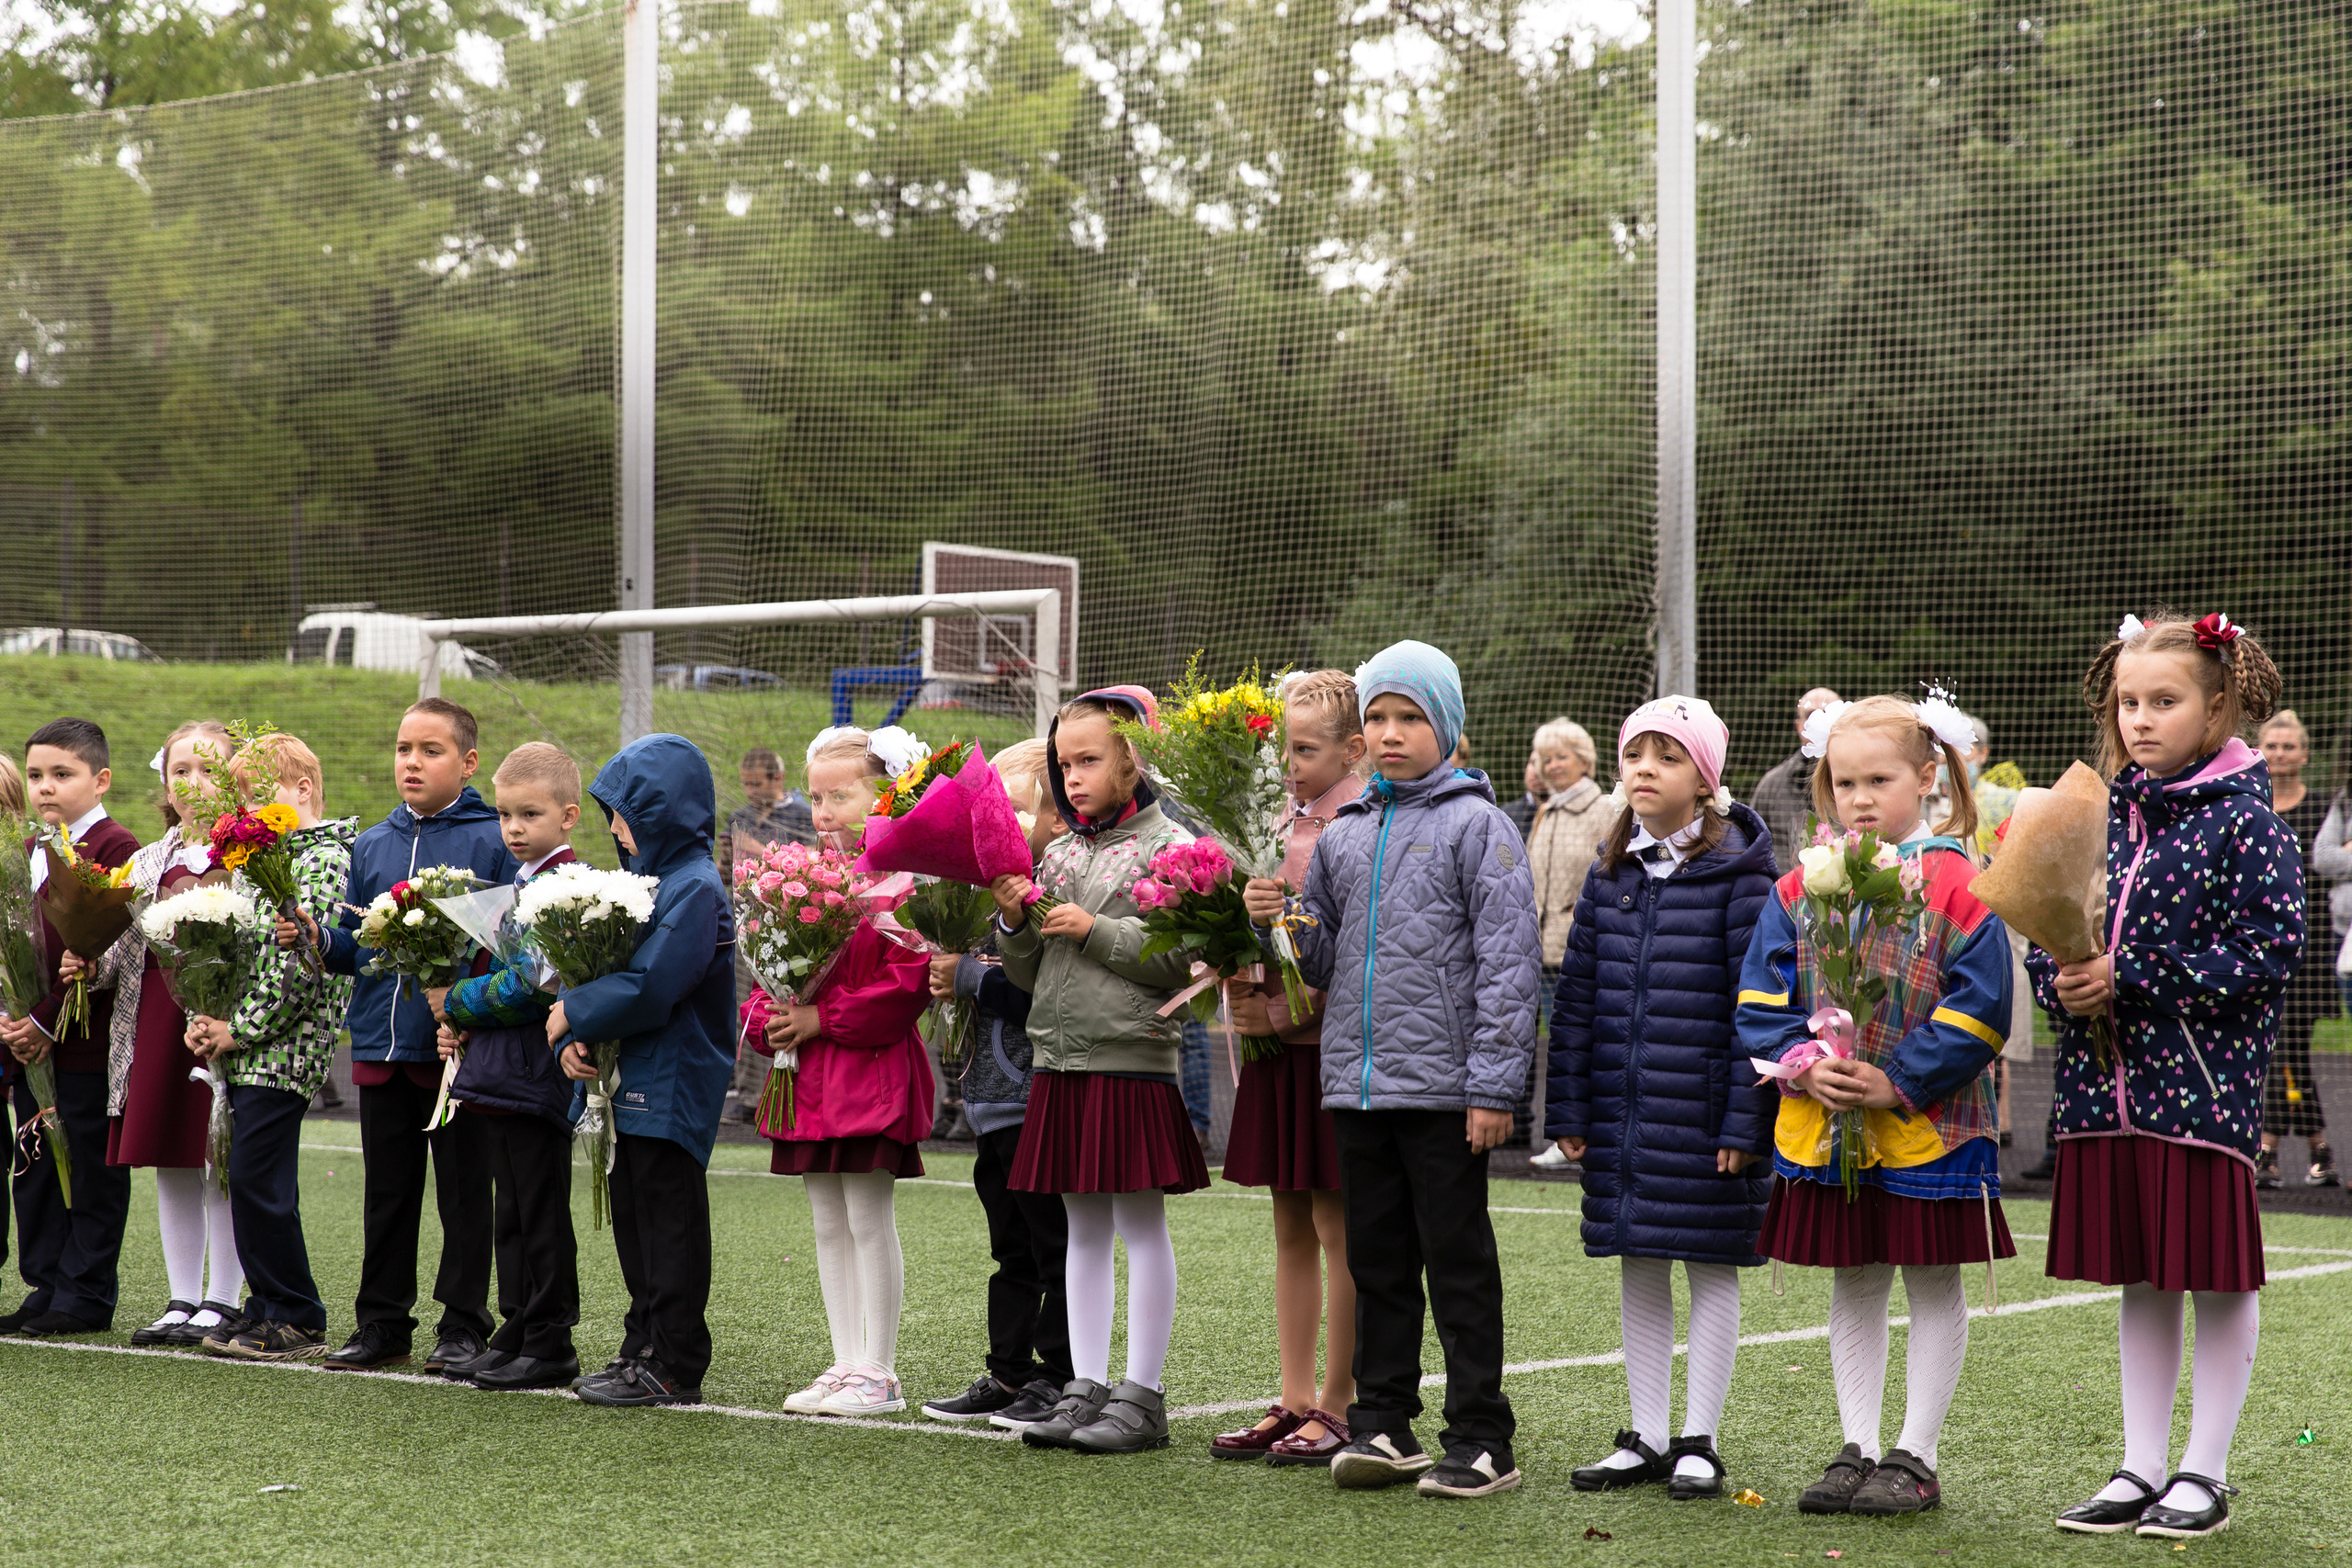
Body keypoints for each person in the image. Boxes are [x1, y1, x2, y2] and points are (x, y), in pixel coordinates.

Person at [1245, 641, 1541, 1501]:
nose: (1390, 732)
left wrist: (1493, 1089)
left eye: (1409, 716)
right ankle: (1383, 1423)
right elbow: (1324, 956)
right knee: (1376, 1263)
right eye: (1377, 717)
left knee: (1456, 1262)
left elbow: (1509, 966)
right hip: (1359, 1086)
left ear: (1446, 725)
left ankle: (1483, 1435)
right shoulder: (1348, 832)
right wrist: (1283, 921)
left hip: (1448, 1094)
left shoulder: (1480, 825)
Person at [2040, 614, 2299, 1541]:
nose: (2139, 720)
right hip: (2102, 1100)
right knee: (2142, 1281)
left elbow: (2268, 955)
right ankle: (2139, 1466)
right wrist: (2059, 979)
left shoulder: (2248, 823)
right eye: (2126, 704)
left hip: (2201, 1100)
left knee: (2215, 1281)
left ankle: (2204, 1472)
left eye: (2164, 701)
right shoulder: (2098, 815)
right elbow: (2055, 934)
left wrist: (2132, 973)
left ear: (2220, 704)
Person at [1735, 694, 2014, 1519]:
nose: (1859, 796)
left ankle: (1915, 1455)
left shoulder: (1964, 884)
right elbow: (1760, 998)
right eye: (1843, 780)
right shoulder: (1798, 887)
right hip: (1830, 1127)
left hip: (1929, 1127)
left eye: (1879, 778)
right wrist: (1806, 1064)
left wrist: (1898, 1080)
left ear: (1928, 778)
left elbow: (1983, 1007)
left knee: (1931, 1280)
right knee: (1855, 1277)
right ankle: (1857, 1446)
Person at [1550, 696, 1777, 1499]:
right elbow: (1576, 1000)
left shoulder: (1744, 877)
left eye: (1666, 755)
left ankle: (1698, 1440)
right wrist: (1569, 1108)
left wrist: (1747, 1119)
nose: (1644, 768)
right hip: (1623, 1112)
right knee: (1638, 1260)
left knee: (1711, 1264)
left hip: (1709, 1117)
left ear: (1704, 778)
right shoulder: (1610, 871)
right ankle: (1645, 1433)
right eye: (1634, 753)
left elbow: (1760, 1005)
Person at [997, 686, 1209, 1456]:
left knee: (1140, 1224)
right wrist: (1014, 920)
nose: (1073, 777)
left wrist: (1094, 929)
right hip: (1061, 1060)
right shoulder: (1056, 851)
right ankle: (1087, 1385)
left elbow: (1181, 963)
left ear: (1133, 758)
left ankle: (1141, 1395)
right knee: (1080, 1229)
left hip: (1130, 1060)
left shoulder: (1172, 848)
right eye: (1063, 764)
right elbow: (1025, 973)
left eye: (1089, 759)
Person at [284, 697, 515, 1374]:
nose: (411, 762)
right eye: (403, 748)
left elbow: (505, 946)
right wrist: (320, 938)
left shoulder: (490, 840)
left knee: (465, 1193)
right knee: (386, 1195)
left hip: (456, 1052)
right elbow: (362, 947)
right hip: (380, 1051)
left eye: (430, 750)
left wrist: (468, 1014)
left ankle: (464, 1324)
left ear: (468, 763)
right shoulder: (373, 843)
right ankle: (382, 1321)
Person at [747, 725, 935, 1418]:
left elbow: (906, 982)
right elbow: (770, 969)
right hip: (810, 1077)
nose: (824, 811)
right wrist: (768, 1012)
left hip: (869, 1073)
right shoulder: (802, 878)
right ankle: (844, 1359)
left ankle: (878, 1371)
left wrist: (823, 1020)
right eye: (817, 797)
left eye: (842, 795)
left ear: (884, 793)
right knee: (828, 1217)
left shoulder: (904, 881)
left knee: (866, 1211)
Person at [549, 733, 738, 1406]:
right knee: (636, 1219)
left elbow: (653, 986)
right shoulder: (650, 882)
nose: (615, 827)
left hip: (674, 1080)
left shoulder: (695, 886)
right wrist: (578, 1045)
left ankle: (675, 1360)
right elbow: (615, 976)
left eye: (625, 811)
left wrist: (575, 1010)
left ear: (663, 809)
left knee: (669, 1220)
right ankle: (643, 1344)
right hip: (631, 1080)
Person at [1212, 670, 1363, 1468]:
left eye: (1306, 748)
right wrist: (1237, 977)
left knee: (1339, 1228)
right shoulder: (1265, 823)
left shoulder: (1356, 826)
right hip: (1275, 1053)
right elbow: (1230, 928)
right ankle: (1295, 1395)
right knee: (1288, 1225)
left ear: (1352, 750)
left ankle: (1341, 1401)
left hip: (1328, 1055)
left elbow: (1349, 956)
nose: (1292, 762)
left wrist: (1278, 1011)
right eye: (1284, 748)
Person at [919, 739, 1074, 1431]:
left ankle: (1060, 1372)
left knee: (1055, 1242)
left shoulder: (1049, 893)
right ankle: (1008, 1370)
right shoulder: (975, 897)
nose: (1004, 825)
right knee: (1009, 1244)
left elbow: (1043, 991)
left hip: (1040, 1096)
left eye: (1018, 809)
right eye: (994, 812)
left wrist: (971, 976)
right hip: (990, 1102)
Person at [184, 732, 355, 1359]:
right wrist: (209, 1014)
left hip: (283, 1048)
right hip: (247, 1044)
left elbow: (296, 966)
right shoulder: (265, 858)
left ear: (303, 789)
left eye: (257, 796)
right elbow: (244, 952)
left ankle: (298, 1314)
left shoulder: (322, 857)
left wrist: (243, 1027)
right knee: (247, 1179)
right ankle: (264, 1307)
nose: (246, 812)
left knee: (261, 1178)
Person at [427, 741, 584, 1390]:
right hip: (500, 1074)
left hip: (535, 1076)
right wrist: (460, 1025)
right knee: (511, 1210)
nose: (514, 828)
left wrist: (458, 1001)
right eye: (504, 815)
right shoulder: (520, 881)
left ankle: (550, 1340)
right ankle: (518, 1325)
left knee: (539, 1210)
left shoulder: (566, 886)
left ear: (568, 816)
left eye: (530, 815)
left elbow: (532, 984)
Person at [92, 722, 241, 1348]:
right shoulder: (147, 860)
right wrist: (84, 961)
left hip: (227, 1027)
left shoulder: (254, 857)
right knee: (172, 1158)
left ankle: (224, 1300)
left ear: (237, 779)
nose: (193, 782)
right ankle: (182, 1296)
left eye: (209, 769)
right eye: (181, 770)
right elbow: (114, 950)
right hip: (156, 1019)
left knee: (223, 1159)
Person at [0, 717, 140, 1337]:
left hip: (85, 1045)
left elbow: (100, 953)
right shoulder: (32, 849)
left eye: (63, 773)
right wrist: (15, 1016)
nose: (46, 787)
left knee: (89, 1166)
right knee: (34, 1161)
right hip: (33, 1050)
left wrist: (45, 1018)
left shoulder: (115, 847)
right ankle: (46, 1283)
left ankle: (86, 1293)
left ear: (100, 778)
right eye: (35, 775)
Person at [1525, 717, 1611, 1169]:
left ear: (1584, 760)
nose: (1553, 765)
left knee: (1587, 1043)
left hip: (1582, 951)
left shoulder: (1604, 810)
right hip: (1542, 953)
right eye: (1545, 758)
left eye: (1562, 756)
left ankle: (1591, 1133)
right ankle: (1564, 1134)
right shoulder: (1546, 810)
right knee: (1555, 1046)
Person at [2254, 710, 2334, 1188]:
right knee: (2283, 1050)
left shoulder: (2324, 809)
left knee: (2289, 1047)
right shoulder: (2251, 806)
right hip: (2259, 948)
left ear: (2304, 754)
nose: (2280, 753)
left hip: (2311, 948)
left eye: (2289, 746)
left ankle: (2269, 1150)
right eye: (2272, 745)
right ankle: (2315, 1148)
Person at [722, 747, 817, 1125]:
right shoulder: (739, 817)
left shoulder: (802, 814)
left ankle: (788, 1084)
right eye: (745, 783)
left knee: (788, 1005)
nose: (749, 791)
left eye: (756, 783)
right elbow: (728, 866)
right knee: (746, 1009)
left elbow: (813, 859)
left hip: (795, 928)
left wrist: (756, 852)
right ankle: (748, 1096)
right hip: (748, 925)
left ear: (777, 779)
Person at [1748, 688, 1843, 875]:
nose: (1819, 721)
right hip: (1784, 895)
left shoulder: (1860, 782)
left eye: (1827, 713)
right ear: (1800, 725)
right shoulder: (1771, 786)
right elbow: (1752, 847)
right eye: (1811, 715)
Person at [1501, 753, 1542, 842]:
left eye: (1542, 764)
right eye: (1533, 763)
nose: (1536, 772)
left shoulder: (1565, 815)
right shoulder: (1505, 816)